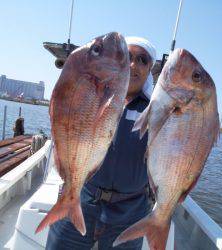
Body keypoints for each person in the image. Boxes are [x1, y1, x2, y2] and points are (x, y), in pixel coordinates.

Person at [46, 36, 157, 250]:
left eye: (143, 60)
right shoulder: (95, 94)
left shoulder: (156, 110)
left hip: (131, 210)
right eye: (128, 57)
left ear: (150, 69)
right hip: (83, 194)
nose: (134, 64)